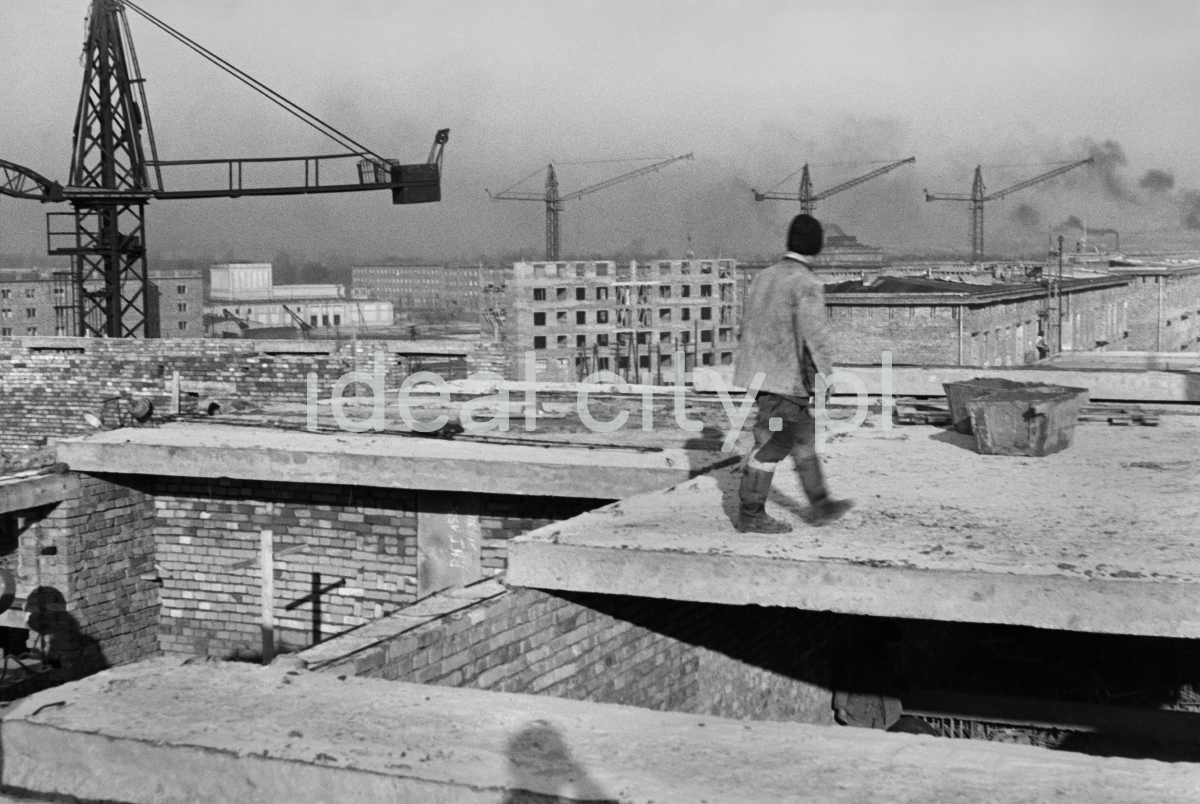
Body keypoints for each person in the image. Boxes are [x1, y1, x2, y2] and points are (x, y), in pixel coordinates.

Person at [732, 214, 853, 533]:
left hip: (762, 378)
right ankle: (751, 513)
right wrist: (826, 376)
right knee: (776, 440)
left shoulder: (763, 277)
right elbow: (815, 336)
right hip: (785, 383)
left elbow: (749, 326)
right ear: (816, 246)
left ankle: (820, 503)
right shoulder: (806, 282)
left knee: (802, 436)